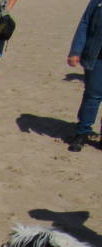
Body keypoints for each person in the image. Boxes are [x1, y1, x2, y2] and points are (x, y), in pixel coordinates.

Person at [67, 0, 102, 152]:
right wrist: (76, 51)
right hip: (96, 55)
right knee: (93, 95)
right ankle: (82, 133)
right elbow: (85, 22)